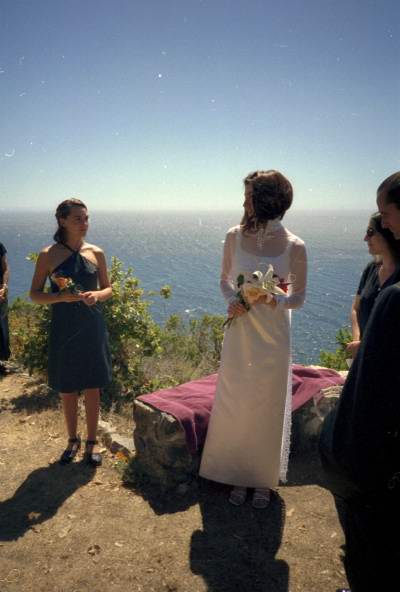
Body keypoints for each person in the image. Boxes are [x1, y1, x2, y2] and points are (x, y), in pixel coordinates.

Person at [199, 170, 307, 508]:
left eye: (250, 196)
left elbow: (298, 298)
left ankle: (261, 477)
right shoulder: (233, 236)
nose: (245, 202)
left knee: (266, 402)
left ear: (268, 199)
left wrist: (274, 299)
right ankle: (234, 472)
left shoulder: (295, 245)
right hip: (241, 328)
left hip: (273, 335)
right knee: (236, 398)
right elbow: (224, 280)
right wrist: (234, 299)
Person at [319, 171, 400, 592]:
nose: (380, 224)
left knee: (373, 537)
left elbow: (372, 395)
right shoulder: (376, 279)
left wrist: (341, 450)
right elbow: (357, 308)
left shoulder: (396, 296)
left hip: (380, 451)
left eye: (385, 215)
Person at [30, 199, 112, 466]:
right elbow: (35, 294)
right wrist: (59, 297)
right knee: (67, 386)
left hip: (92, 326)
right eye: (78, 219)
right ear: (62, 221)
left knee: (92, 385)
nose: (84, 223)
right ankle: (72, 440)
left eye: (86, 218)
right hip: (64, 327)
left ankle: (92, 442)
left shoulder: (96, 252)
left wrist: (97, 295)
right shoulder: (48, 255)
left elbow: (108, 289)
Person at [346, 212, 400, 360]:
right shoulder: (371, 269)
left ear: (386, 233)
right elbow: (356, 308)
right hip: (365, 357)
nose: (365, 238)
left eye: (370, 232)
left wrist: (366, 346)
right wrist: (358, 341)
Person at [0, 242, 10, 367]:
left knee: (2, 327)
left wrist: (4, 287)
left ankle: (2, 359)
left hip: (0, 293)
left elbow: (5, 268)